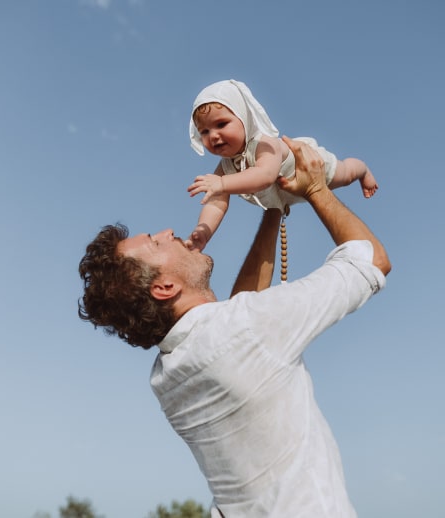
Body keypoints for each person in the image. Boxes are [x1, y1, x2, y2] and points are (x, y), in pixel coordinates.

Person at [78, 138, 391, 518]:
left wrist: (274, 209)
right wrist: (314, 189)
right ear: (164, 288)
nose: (167, 231)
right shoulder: (244, 330)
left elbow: (239, 315)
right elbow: (371, 261)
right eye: (155, 243)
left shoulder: (166, 377)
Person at [187, 79, 378, 251]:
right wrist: (203, 232)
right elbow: (216, 204)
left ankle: (362, 169)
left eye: (221, 124)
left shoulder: (264, 143)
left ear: (245, 118)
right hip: (287, 193)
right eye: (204, 131)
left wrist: (221, 184)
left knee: (345, 174)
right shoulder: (226, 167)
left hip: (312, 168)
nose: (213, 135)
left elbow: (265, 175)